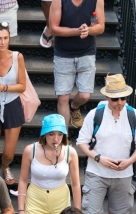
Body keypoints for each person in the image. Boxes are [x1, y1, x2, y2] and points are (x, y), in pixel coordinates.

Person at [76, 74, 136, 214]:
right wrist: (98, 157)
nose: (119, 102)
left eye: (123, 98)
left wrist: (129, 161)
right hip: (97, 171)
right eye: (115, 98)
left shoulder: (134, 115)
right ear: (107, 97)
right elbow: (82, 142)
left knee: (117, 212)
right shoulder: (95, 114)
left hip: (124, 174)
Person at [48, 0, 105, 129]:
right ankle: (64, 139)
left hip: (87, 52)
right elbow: (53, 29)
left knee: (85, 95)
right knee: (63, 99)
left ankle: (74, 107)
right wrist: (77, 31)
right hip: (63, 54)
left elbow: (101, 26)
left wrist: (88, 30)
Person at [0, 21, 26, 184]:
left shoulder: (17, 57)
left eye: (6, 38)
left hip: (12, 104)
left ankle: (6, 166)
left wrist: (3, 87)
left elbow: (22, 86)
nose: (3, 42)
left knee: (8, 153)